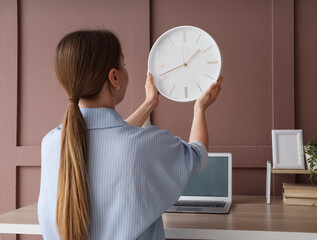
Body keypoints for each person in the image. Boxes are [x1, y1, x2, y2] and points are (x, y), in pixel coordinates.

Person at [38, 29, 223, 240]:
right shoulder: (145, 144)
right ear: (114, 77)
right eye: (123, 64)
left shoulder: (51, 143)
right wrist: (200, 108)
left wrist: (149, 104)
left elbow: (108, 138)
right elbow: (198, 156)